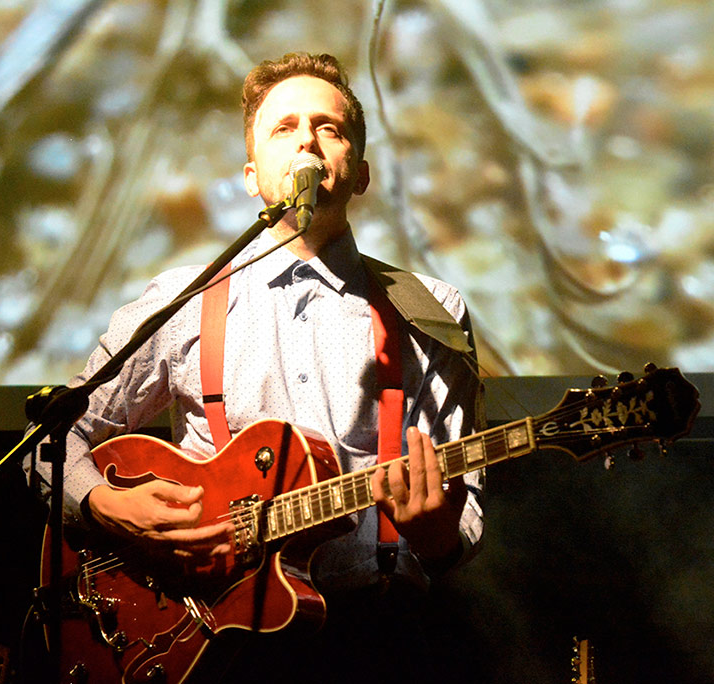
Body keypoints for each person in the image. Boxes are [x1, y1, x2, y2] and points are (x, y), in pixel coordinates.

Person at [25, 52, 483, 683]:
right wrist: (103, 502)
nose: (308, 141)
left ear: (361, 173)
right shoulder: (184, 303)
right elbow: (49, 441)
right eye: (284, 127)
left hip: (374, 639)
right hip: (210, 643)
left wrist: (434, 534)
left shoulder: (432, 311)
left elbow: (468, 518)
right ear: (250, 175)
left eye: (329, 128)